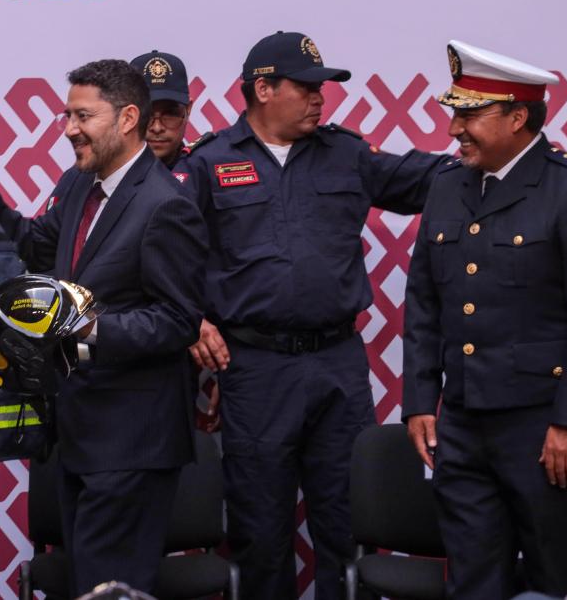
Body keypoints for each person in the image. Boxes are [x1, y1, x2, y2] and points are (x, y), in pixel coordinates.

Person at [175, 31, 446, 600]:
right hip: (254, 368)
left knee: (348, 527)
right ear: (262, 89)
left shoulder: (346, 153)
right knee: (258, 532)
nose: (320, 99)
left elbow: (433, 181)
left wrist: (499, 154)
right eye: (306, 87)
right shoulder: (209, 162)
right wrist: (193, 320)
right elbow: (167, 256)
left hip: (338, 365)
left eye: (322, 87)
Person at [0, 59, 207, 595]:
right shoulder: (77, 185)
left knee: (109, 589)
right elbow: (31, 245)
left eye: (82, 115)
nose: (69, 128)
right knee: (86, 587)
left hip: (132, 444)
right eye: (68, 115)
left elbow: (178, 321)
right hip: (77, 437)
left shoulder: (167, 205)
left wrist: (79, 323)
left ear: (128, 118)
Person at [402, 40, 567, 598]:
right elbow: (425, 304)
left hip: (545, 430)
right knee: (472, 579)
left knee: (553, 583)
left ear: (518, 116)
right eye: (455, 113)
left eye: (469, 114)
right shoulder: (447, 187)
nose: (454, 129)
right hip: (464, 424)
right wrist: (420, 401)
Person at [130, 48, 222, 432]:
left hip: (194, 357)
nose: (157, 125)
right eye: (148, 112)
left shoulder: (208, 173)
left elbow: (229, 265)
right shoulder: (90, 178)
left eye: (169, 112)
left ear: (188, 111)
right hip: (120, 353)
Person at [129, 50, 196, 168]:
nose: (157, 128)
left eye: (170, 114)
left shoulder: (204, 177)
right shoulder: (100, 176)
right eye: (146, 114)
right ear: (127, 114)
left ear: (188, 109)